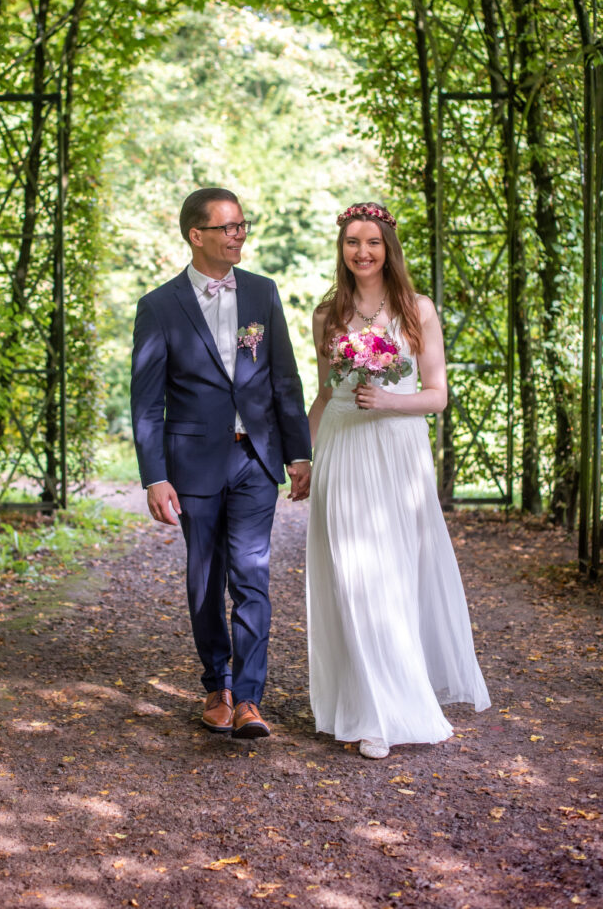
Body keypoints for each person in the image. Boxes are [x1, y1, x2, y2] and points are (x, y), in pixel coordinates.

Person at [306, 202, 490, 759]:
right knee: (352, 577)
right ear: (341, 249)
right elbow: (325, 394)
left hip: (398, 451)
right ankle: (365, 707)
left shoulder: (417, 309)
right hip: (343, 446)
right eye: (352, 242)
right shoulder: (327, 314)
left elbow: (437, 394)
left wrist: (389, 400)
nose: (361, 252)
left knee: (392, 576)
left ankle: (397, 701)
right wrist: (302, 459)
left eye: (372, 242)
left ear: (388, 249)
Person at [131, 187, 311, 739]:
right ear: (197, 235)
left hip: (256, 458)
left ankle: (250, 698)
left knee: (252, 575)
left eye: (242, 225)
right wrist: (155, 476)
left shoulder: (262, 291)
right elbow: (147, 401)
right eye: (228, 227)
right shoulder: (159, 305)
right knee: (205, 580)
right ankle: (218, 685)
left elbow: (284, 377)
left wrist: (298, 450)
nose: (239, 235)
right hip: (194, 463)